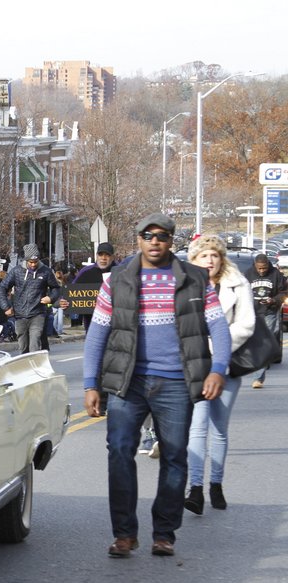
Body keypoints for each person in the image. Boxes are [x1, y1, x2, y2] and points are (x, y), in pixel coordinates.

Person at [83, 213, 231, 558]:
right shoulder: (117, 279)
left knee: (175, 456)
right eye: (147, 235)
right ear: (138, 239)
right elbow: (97, 333)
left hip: (177, 383)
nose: (154, 241)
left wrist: (218, 369)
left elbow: (218, 327)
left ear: (171, 240)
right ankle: (124, 534)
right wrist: (91, 384)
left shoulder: (195, 279)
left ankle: (164, 532)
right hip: (127, 383)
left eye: (161, 236)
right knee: (119, 452)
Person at [184, 235, 255, 514]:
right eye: (204, 256)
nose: (210, 260)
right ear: (194, 260)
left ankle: (216, 483)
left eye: (214, 255)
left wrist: (216, 345)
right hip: (194, 365)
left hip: (227, 366)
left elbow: (246, 324)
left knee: (219, 429)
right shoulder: (185, 284)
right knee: (197, 427)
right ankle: (196, 489)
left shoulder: (237, 283)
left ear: (221, 258)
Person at [0, 244, 60, 354]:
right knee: (23, 346)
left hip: (38, 313)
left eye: (35, 262)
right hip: (20, 314)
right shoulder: (16, 271)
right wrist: (5, 307)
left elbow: (56, 288)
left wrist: (50, 298)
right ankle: (25, 366)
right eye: (30, 262)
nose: (33, 264)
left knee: (34, 342)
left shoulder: (46, 271)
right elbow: (2, 287)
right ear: (26, 260)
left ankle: (35, 366)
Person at [243, 252, 286, 388]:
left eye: (264, 268)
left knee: (264, 342)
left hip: (270, 312)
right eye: (259, 268)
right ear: (255, 265)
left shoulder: (276, 275)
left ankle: (258, 379)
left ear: (268, 265)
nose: (262, 270)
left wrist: (273, 300)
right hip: (253, 313)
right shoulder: (248, 274)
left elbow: (284, 292)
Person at [61, 243, 118, 331]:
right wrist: (63, 301)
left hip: (116, 325)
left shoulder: (121, 271)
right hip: (92, 325)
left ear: (112, 257)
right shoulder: (86, 272)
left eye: (107, 255)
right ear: (96, 256)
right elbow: (71, 293)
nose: (103, 258)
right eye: (100, 254)